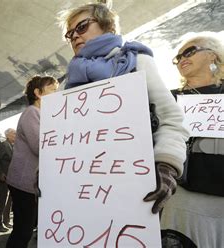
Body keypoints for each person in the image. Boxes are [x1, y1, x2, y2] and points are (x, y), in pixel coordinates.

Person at [58, 3, 189, 214]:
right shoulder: (72, 78)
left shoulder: (137, 61)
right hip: (81, 182)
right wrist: (47, 168)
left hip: (134, 181)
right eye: (69, 33)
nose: (74, 36)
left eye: (81, 27)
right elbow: (61, 134)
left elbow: (171, 118)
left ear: (107, 26)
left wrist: (167, 165)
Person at [161, 31, 224, 248]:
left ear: (213, 56)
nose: (182, 59)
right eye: (178, 57)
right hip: (178, 200)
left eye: (190, 51)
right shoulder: (166, 98)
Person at [6, 75, 59, 248]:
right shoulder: (32, 112)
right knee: (23, 231)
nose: (57, 94)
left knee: (26, 228)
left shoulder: (41, 114)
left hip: (29, 182)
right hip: (23, 182)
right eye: (53, 90)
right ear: (38, 93)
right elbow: (39, 146)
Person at [0, 128, 16, 231]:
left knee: (9, 200)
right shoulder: (4, 145)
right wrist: (0, 173)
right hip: (4, 176)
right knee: (2, 200)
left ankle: (6, 221)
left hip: (12, 177)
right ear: (8, 135)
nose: (16, 135)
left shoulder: (13, 146)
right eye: (14, 133)